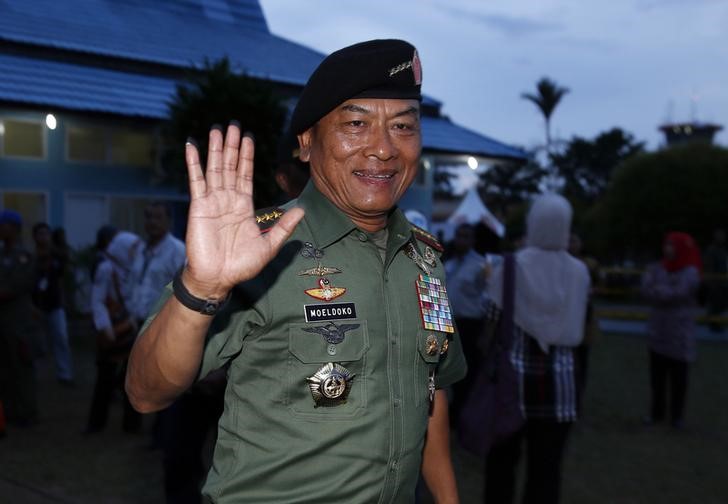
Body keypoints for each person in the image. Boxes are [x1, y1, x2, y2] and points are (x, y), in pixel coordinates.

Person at [126, 39, 466, 503]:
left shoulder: (425, 261)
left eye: (403, 126)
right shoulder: (260, 250)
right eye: (356, 123)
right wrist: (201, 288)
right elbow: (146, 392)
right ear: (306, 143)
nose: (384, 149)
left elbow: (432, 396)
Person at [483, 194, 590, 504]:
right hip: (561, 384)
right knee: (547, 470)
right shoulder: (580, 271)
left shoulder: (511, 266)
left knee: (501, 465)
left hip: (511, 385)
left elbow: (490, 318)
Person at [85, 228, 143, 434]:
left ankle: (132, 425)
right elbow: (97, 301)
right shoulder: (106, 269)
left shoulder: (135, 268)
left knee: (133, 378)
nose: (135, 252)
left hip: (131, 327)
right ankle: (96, 423)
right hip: (112, 331)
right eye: (132, 248)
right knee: (104, 378)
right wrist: (105, 328)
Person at [641, 231, 701, 429]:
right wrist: (665, 291)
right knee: (657, 377)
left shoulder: (691, 272)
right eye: (666, 244)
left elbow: (680, 292)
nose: (668, 248)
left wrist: (660, 291)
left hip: (680, 334)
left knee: (679, 379)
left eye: (672, 245)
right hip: (658, 332)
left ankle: (677, 417)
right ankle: (656, 413)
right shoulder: (656, 268)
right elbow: (647, 290)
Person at [0, 210, 42, 427]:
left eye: (3, 224)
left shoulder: (24, 256)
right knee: (5, 369)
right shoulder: (2, 255)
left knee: (21, 367)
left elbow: (16, 286)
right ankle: (10, 411)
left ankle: (27, 412)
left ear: (15, 229)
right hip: (3, 322)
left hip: (18, 322)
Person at [444, 222, 489, 423]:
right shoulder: (449, 264)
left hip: (470, 326)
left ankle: (462, 415)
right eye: (459, 235)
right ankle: (451, 412)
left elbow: (488, 297)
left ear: (473, 240)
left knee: (467, 372)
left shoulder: (481, 266)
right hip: (448, 325)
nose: (461, 240)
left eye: (466, 236)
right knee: (447, 370)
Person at [32, 222, 74, 385]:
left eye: (46, 233)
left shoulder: (57, 255)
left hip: (55, 304)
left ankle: (65, 374)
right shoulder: (30, 256)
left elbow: (64, 272)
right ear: (34, 236)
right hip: (35, 306)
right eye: (40, 233)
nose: (43, 237)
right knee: (36, 342)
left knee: (61, 338)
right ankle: (33, 375)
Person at [130, 202, 186, 323]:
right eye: (149, 217)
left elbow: (184, 289)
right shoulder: (140, 249)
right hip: (136, 322)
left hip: (162, 324)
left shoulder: (178, 250)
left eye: (158, 217)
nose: (153, 222)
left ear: (169, 221)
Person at [702, 228, 727, 332]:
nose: (721, 237)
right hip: (715, 282)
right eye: (719, 235)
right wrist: (711, 282)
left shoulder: (723, 250)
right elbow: (709, 266)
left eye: (722, 235)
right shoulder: (711, 250)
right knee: (715, 304)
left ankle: (715, 323)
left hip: (723, 282)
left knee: (721, 303)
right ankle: (713, 324)